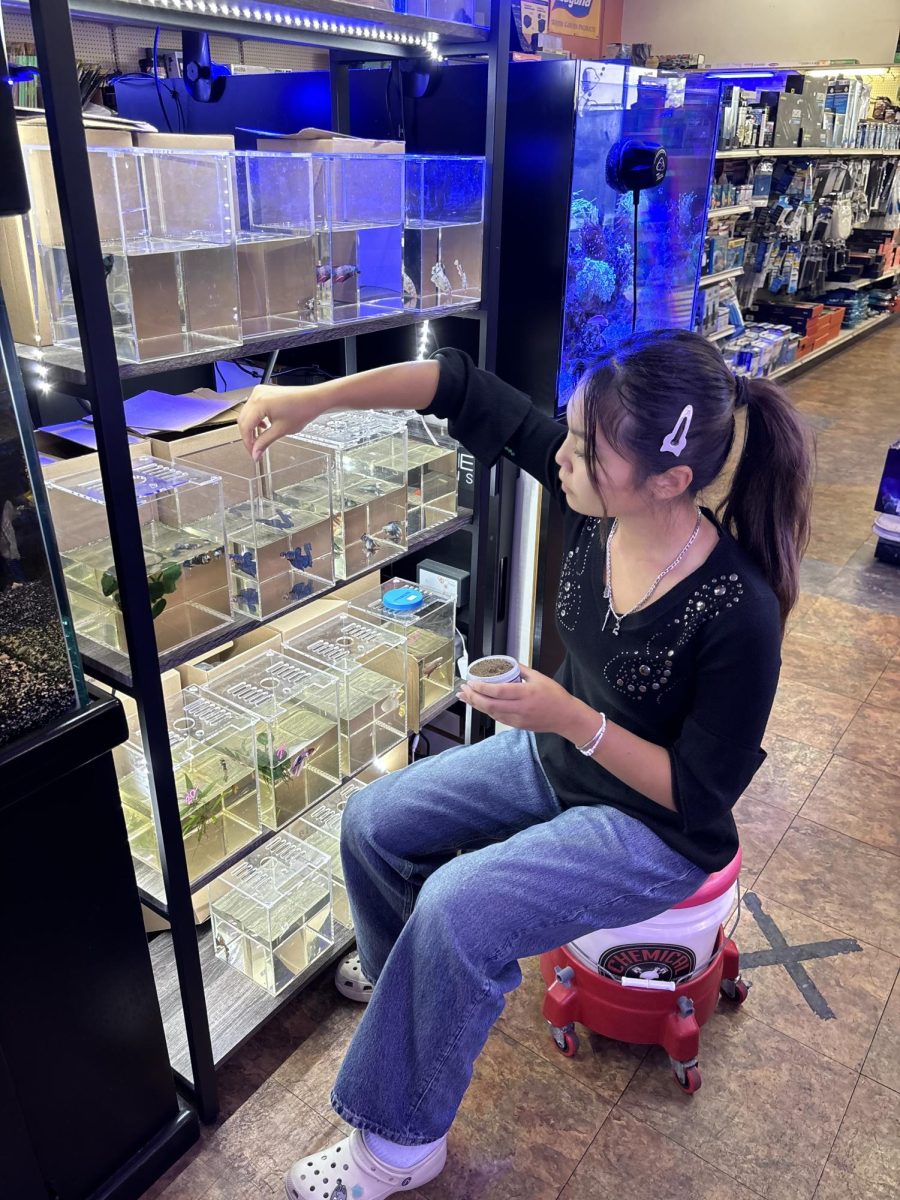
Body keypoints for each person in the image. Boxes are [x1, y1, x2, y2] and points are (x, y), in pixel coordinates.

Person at [238, 330, 812, 1200]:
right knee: (374, 825)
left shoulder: (740, 611)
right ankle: (414, 1003)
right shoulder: (597, 493)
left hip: (652, 827)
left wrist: (570, 717)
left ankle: (397, 1145)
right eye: (572, 432)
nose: (565, 455)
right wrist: (314, 400)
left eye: (587, 449)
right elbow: (458, 385)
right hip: (558, 758)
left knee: (457, 908)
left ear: (669, 481)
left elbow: (697, 795)